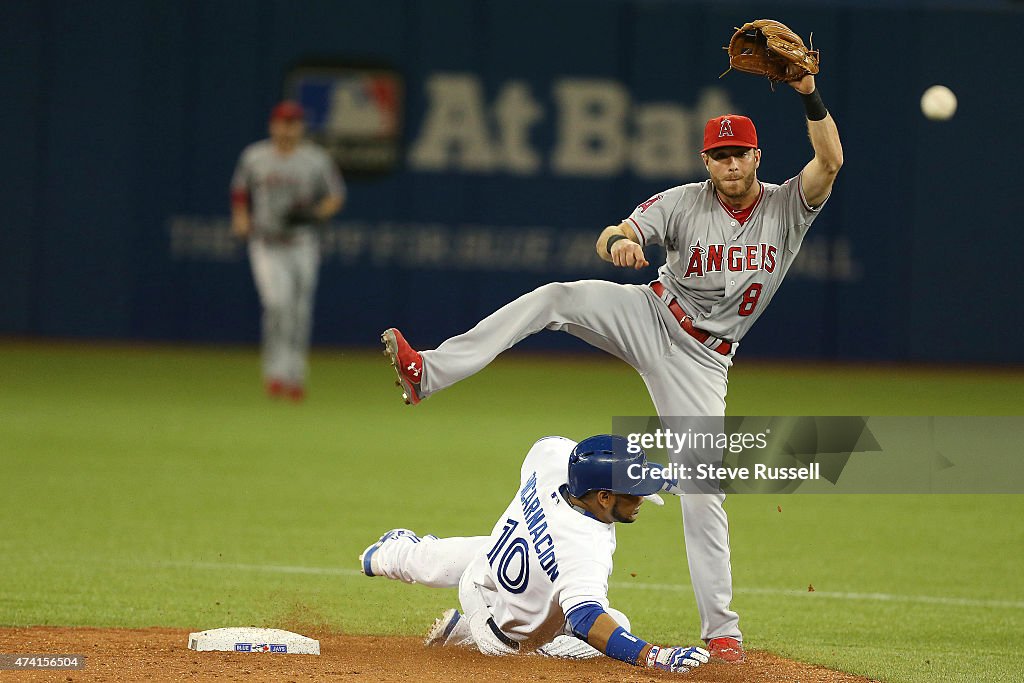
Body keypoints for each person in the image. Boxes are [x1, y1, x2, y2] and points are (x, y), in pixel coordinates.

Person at [381, 73, 843, 661]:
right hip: (652, 313)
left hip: (704, 361)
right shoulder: (682, 201)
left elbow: (829, 160)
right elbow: (616, 233)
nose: (730, 163)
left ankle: (722, 630)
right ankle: (430, 373)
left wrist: (808, 91)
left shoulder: (786, 207)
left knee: (703, 491)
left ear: (757, 155)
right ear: (707, 159)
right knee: (555, 297)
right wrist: (620, 243)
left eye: (739, 153)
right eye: (719, 154)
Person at [359, 434, 709, 673]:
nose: (641, 499)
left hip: (481, 577)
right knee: (616, 624)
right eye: (633, 491)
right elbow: (587, 620)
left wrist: (652, 475)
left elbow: (551, 445)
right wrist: (653, 655)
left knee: (487, 546)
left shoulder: (552, 465)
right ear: (603, 497)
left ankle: (388, 555)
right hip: (502, 640)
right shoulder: (586, 548)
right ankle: (467, 636)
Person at [230, 101, 345, 401]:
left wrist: (314, 213)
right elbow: (240, 191)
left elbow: (335, 196)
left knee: (300, 311)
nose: (288, 128)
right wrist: (240, 218)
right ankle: (275, 372)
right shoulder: (255, 156)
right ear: (273, 125)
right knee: (277, 304)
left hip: (301, 243)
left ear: (301, 127)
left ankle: (295, 374)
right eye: (283, 122)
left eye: (293, 122)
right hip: (266, 243)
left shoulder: (314, 160)